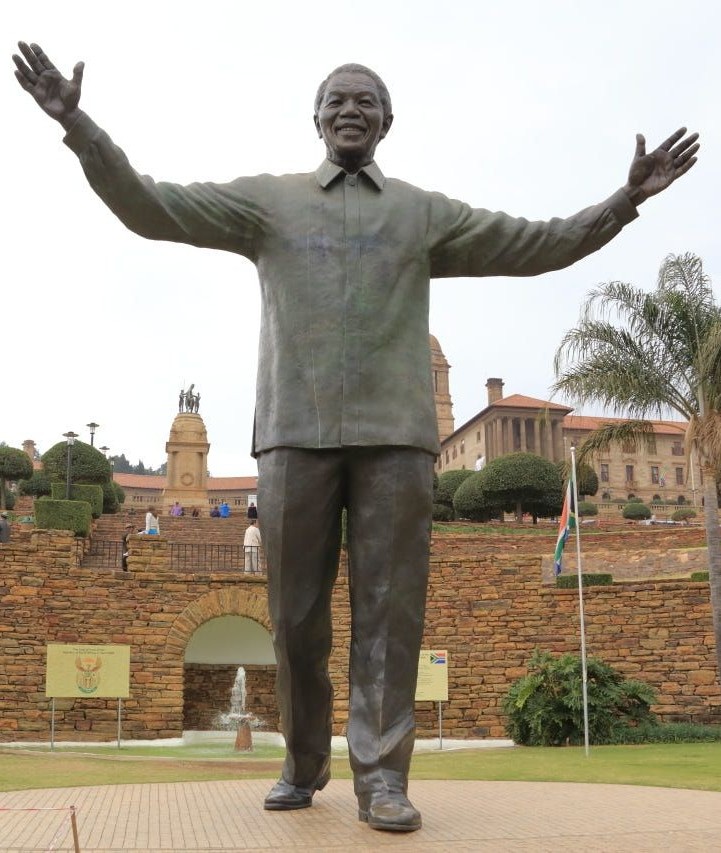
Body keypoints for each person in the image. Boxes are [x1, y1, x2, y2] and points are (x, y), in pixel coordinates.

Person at [12, 44, 699, 833]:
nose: (349, 109)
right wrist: (78, 127)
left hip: (396, 437)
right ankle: (303, 761)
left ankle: (380, 777)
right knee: (294, 614)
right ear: (315, 117)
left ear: (387, 122)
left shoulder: (421, 212)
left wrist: (621, 201)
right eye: (336, 99)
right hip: (293, 433)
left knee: (390, 611)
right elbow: (149, 204)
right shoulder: (266, 203)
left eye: (365, 101)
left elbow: (535, 242)